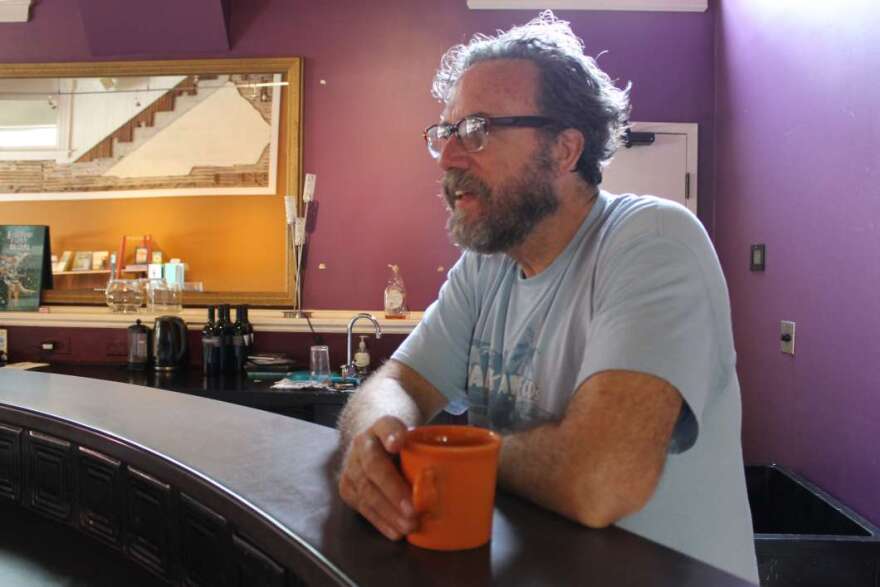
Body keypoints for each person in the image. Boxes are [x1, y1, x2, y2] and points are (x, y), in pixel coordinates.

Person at [337, 11, 758, 584]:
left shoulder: (654, 242)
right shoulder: (487, 266)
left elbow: (599, 482)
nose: (448, 158)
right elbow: (395, 385)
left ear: (564, 150)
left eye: (478, 130)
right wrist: (375, 437)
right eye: (447, 132)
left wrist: (444, 454)